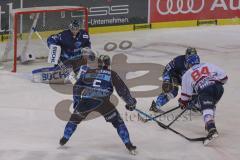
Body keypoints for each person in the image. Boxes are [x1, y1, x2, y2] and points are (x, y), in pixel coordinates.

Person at [59, 52, 138, 155]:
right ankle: (129, 145)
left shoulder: (87, 72)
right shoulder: (111, 73)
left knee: (73, 120)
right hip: (103, 102)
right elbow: (122, 91)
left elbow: (77, 88)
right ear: (108, 64)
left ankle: (64, 139)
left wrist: (77, 102)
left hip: (86, 101)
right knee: (118, 123)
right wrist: (131, 103)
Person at [178, 54, 228, 145]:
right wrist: (213, 82)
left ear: (188, 63)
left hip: (205, 91)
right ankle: (209, 123)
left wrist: (183, 102)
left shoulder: (187, 74)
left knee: (206, 108)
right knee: (209, 105)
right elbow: (224, 77)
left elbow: (186, 96)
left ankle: (211, 129)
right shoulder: (208, 64)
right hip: (219, 88)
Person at [149, 47, 198, 112]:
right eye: (191, 64)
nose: (192, 66)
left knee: (196, 89)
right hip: (175, 77)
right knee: (172, 92)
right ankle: (156, 105)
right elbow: (167, 70)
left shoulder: (197, 63)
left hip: (185, 79)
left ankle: (194, 104)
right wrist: (166, 80)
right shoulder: (178, 61)